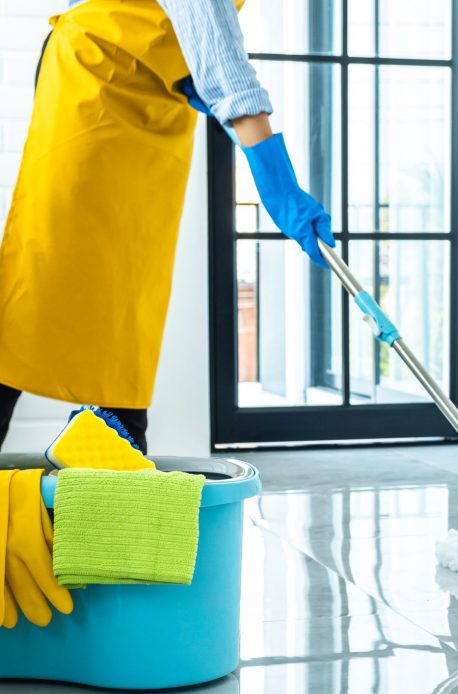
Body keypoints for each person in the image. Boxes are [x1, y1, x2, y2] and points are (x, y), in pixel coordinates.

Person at [0, 0, 334, 453]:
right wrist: (278, 183)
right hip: (97, 80)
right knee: (42, 282)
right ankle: (116, 453)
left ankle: (110, 461)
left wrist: (185, 73)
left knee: (126, 296)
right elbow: (220, 54)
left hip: (154, 95)